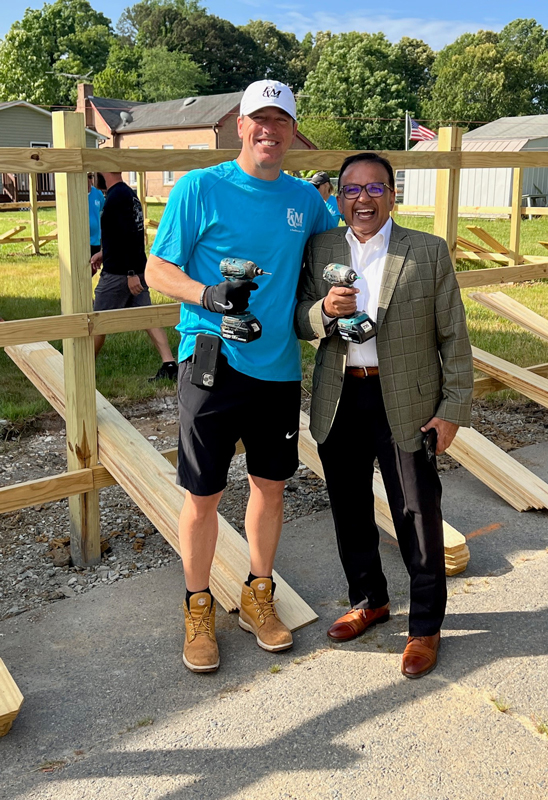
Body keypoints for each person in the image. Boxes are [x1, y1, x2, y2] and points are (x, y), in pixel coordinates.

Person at [145, 79, 336, 673]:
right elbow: (156, 269)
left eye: (280, 121)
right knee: (203, 494)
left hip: (276, 368)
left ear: (292, 132)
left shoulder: (306, 201)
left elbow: (345, 248)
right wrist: (210, 294)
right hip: (211, 362)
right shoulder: (200, 188)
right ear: (239, 123)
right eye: (259, 118)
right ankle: (197, 607)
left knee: (270, 487)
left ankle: (259, 596)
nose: (268, 130)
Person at [295, 152, 473, 679]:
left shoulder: (427, 251)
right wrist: (325, 312)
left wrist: (452, 410)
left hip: (409, 403)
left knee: (416, 515)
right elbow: (300, 323)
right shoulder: (321, 248)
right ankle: (369, 600)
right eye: (351, 190)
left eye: (375, 189)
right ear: (339, 197)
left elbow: (454, 338)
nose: (363, 199)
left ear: (393, 195)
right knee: (349, 509)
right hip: (340, 397)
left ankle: (424, 627)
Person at [91, 171, 178, 381]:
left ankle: (81, 367)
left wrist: (130, 273)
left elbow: (129, 236)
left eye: (97, 171)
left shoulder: (116, 197)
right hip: (136, 269)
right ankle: (170, 365)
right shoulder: (128, 194)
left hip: (121, 274)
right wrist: (105, 252)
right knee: (148, 316)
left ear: (105, 171)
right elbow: (129, 234)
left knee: (96, 320)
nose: (94, 176)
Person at [87, 173, 104, 264]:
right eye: (85, 177)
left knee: (93, 267)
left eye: (90, 177)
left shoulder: (98, 193)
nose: (88, 180)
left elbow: (102, 210)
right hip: (81, 241)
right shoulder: (76, 195)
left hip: (95, 241)